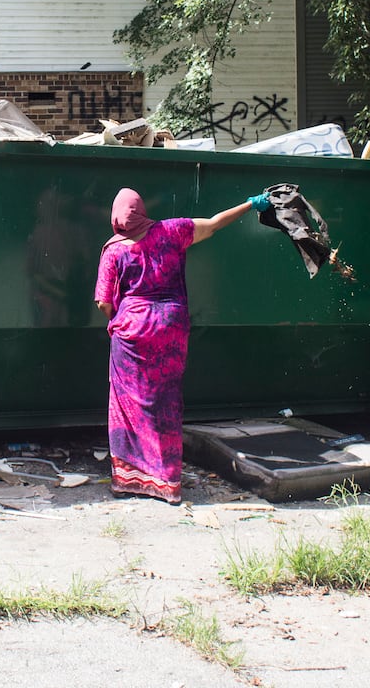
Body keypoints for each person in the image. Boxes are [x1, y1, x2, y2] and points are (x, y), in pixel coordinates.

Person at [93, 187, 271, 504]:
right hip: (170, 329)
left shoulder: (114, 251)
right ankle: (168, 482)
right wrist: (248, 204)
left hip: (132, 331)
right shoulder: (172, 230)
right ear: (141, 209)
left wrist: (124, 315)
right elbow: (215, 223)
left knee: (129, 406)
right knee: (165, 402)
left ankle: (132, 480)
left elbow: (103, 302)